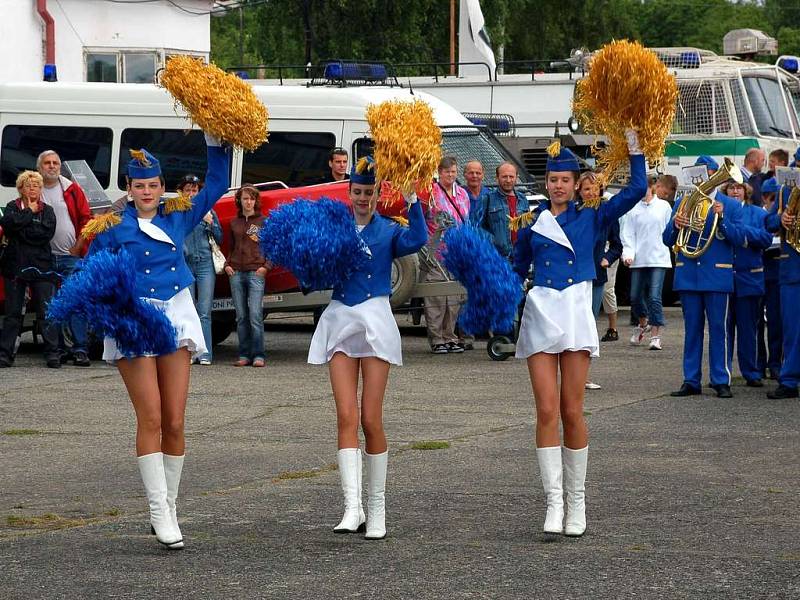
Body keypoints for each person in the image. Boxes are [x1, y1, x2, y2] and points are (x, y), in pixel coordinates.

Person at [86, 134, 230, 549]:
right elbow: (93, 272)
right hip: (134, 320)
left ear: (161, 186)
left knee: (175, 420)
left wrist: (214, 141)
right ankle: (157, 510)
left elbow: (217, 184)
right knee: (149, 418)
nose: (147, 193)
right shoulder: (112, 227)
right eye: (139, 186)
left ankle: (170, 505)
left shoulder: (178, 214)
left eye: (152, 186)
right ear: (128, 189)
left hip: (176, 312)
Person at [513, 131, 647, 537]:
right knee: (546, 411)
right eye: (553, 180)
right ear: (546, 183)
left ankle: (578, 502)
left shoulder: (594, 215)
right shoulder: (530, 224)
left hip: (573, 310)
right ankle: (554, 503)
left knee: (572, 410)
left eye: (565, 180)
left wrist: (634, 143)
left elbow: (638, 187)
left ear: (576, 184)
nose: (558, 186)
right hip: (541, 312)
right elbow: (516, 270)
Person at [307, 157, 427, 540]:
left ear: (377, 194)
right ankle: (352, 507)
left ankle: (377, 509)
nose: (362, 198)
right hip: (341, 319)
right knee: (346, 415)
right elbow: (314, 269)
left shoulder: (390, 230)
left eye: (369, 192)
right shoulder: (335, 228)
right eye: (357, 192)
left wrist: (413, 199)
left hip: (375, 319)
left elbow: (419, 239)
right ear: (349, 192)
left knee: (370, 419)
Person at [664, 163, 745, 399]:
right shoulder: (682, 202)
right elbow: (666, 239)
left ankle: (721, 379)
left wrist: (722, 220)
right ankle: (691, 380)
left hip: (717, 276)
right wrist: (675, 225)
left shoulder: (729, 205)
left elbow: (739, 238)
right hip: (688, 274)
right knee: (692, 330)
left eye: (708, 174)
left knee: (719, 329)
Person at [37, 150, 93, 366]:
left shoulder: (71, 188)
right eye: (47, 163)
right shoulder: (35, 189)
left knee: (76, 303)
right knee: (51, 305)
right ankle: (57, 349)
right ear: (40, 167)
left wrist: (78, 247)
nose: (52, 166)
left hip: (71, 256)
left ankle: (80, 349)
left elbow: (86, 220)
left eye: (56, 163)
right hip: (45, 258)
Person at [0, 171, 59, 368]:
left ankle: (52, 353)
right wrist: (29, 213)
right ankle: (5, 354)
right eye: (28, 184)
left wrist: (21, 228)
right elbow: (8, 225)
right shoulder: (11, 207)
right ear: (20, 188)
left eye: (36, 185)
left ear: (41, 189)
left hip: (42, 266)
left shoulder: (48, 211)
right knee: (13, 313)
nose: (32, 188)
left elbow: (44, 234)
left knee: (45, 311)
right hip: (15, 266)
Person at [723, 180, 772, 387]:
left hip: (750, 279)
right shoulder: (719, 212)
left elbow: (766, 239)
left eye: (739, 188)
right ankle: (722, 373)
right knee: (724, 332)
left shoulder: (758, 214)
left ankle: (751, 372)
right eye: (731, 188)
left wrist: (742, 232)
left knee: (748, 330)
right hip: (724, 280)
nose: (735, 191)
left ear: (746, 191)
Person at [422, 156, 470, 354]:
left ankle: (450, 336)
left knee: (454, 295)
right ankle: (437, 338)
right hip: (435, 249)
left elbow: (466, 219)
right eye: (447, 171)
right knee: (436, 295)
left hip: (456, 250)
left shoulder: (462, 194)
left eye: (453, 171)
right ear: (439, 172)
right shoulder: (431, 192)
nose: (450, 175)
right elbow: (423, 219)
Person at [621, 174, 675, 350]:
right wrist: (628, 253)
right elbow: (627, 233)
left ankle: (656, 335)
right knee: (635, 297)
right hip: (638, 258)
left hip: (658, 258)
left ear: (652, 187)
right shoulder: (632, 209)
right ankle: (643, 324)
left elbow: (670, 231)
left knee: (654, 296)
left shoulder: (664, 206)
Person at [224, 185, 270, 367]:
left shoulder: (263, 221)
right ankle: (244, 354)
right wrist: (227, 265)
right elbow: (230, 247)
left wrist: (266, 267)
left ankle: (259, 355)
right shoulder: (234, 223)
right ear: (239, 201)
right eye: (245, 198)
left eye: (251, 198)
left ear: (255, 201)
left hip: (256, 271)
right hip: (235, 272)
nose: (248, 202)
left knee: (255, 315)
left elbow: (271, 248)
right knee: (241, 316)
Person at [180, 174, 222, 366]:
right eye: (187, 190)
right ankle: (189, 352)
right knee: (188, 310)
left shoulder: (209, 210)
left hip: (205, 264)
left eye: (194, 190)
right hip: (186, 264)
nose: (191, 193)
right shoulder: (178, 212)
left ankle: (205, 353)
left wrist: (211, 223)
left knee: (204, 311)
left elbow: (220, 238)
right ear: (181, 191)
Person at [577, 172, 622, 349]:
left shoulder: (607, 213)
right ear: (579, 190)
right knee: (575, 322)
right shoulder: (573, 211)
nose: (590, 192)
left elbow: (617, 246)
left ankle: (583, 369)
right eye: (586, 189)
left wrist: (607, 258)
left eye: (595, 189)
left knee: (589, 322)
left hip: (596, 275)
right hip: (575, 275)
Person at [764, 182, 800, 399]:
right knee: (792, 329)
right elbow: (767, 221)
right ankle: (789, 381)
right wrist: (781, 219)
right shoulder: (784, 190)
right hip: (792, 270)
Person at [471, 162, 528, 260]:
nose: (508, 180)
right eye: (504, 177)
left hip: (520, 258)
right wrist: (494, 242)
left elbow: (528, 227)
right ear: (497, 178)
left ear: (516, 177)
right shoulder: (487, 199)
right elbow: (475, 228)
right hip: (497, 258)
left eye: (511, 176)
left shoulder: (523, 199)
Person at [757, 177, 783, 380]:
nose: (776, 202)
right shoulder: (758, 214)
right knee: (755, 322)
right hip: (757, 273)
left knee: (775, 321)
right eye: (773, 198)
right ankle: (759, 363)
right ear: (765, 197)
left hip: (776, 274)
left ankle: (775, 362)